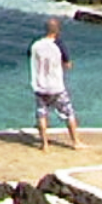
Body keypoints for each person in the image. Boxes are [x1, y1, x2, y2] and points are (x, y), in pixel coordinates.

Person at [29, 17, 85, 151]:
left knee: (42, 114)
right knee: (68, 113)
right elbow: (67, 64)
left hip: (40, 86)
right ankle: (75, 142)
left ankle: (45, 145)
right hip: (56, 86)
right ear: (58, 30)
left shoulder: (36, 45)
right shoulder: (59, 45)